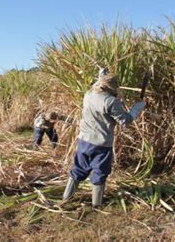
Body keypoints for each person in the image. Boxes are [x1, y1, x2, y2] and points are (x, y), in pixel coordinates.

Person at [62, 73, 146, 207]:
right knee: (100, 172)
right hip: (101, 144)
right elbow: (125, 121)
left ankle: (66, 197)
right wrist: (138, 107)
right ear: (113, 87)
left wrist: (102, 73)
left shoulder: (88, 94)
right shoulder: (111, 101)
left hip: (84, 140)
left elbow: (97, 84)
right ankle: (97, 205)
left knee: (78, 168)